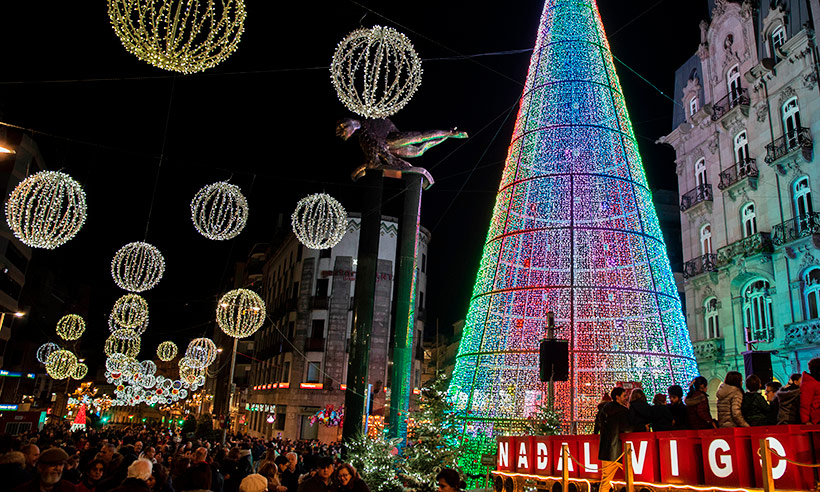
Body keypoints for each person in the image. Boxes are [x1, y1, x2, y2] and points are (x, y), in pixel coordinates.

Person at [597, 387, 632, 492]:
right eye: (624, 395)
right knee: (632, 479)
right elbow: (627, 429)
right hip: (620, 450)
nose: (626, 397)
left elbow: (599, 425)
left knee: (606, 481)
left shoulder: (603, 410)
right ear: (617, 397)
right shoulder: (623, 411)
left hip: (606, 451)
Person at [13, 447, 78, 492]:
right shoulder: (24, 489)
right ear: (41, 467)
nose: (57, 468)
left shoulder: (69, 489)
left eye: (61, 465)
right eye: (53, 465)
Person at [800, 357, 820, 424]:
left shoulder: (813, 383)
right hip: (817, 419)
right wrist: (806, 421)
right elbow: (805, 404)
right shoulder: (810, 384)